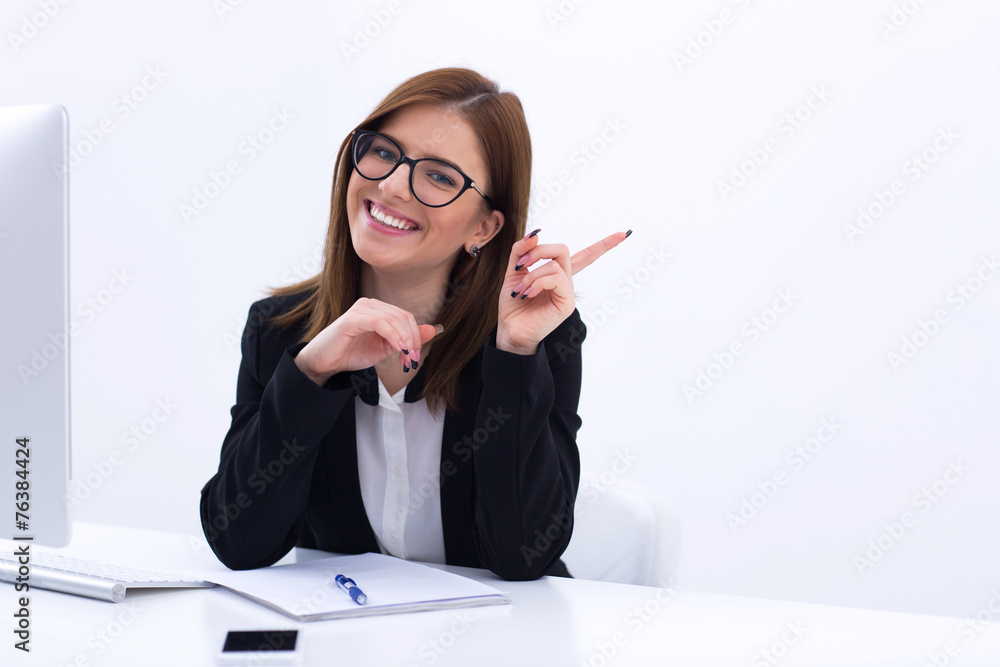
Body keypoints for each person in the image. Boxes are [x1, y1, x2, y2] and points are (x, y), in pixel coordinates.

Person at [199, 67, 629, 581]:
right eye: (383, 151)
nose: (393, 185)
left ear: (485, 227)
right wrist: (310, 374)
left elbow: (522, 557)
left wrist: (515, 354)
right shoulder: (281, 333)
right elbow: (239, 543)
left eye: (440, 176)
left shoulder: (538, 334)